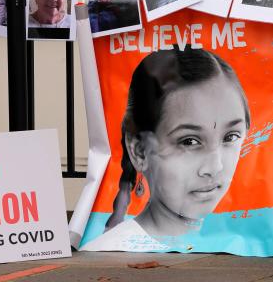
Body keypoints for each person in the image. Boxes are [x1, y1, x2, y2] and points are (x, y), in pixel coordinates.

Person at [84, 47, 251, 250]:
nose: (215, 167)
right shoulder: (112, 250)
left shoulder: (242, 240)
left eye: (230, 137)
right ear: (139, 151)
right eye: (190, 141)